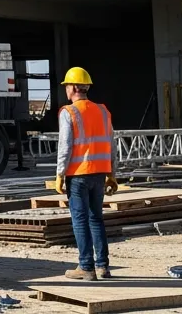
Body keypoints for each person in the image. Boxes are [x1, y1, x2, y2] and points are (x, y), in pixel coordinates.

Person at [56, 66, 117, 281]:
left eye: (66, 86)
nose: (66, 90)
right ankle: (102, 266)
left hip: (78, 175)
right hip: (99, 174)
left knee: (80, 220)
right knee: (96, 219)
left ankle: (86, 267)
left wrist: (60, 174)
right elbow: (111, 144)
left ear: (73, 88)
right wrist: (112, 174)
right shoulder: (103, 111)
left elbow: (65, 146)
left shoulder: (69, 112)